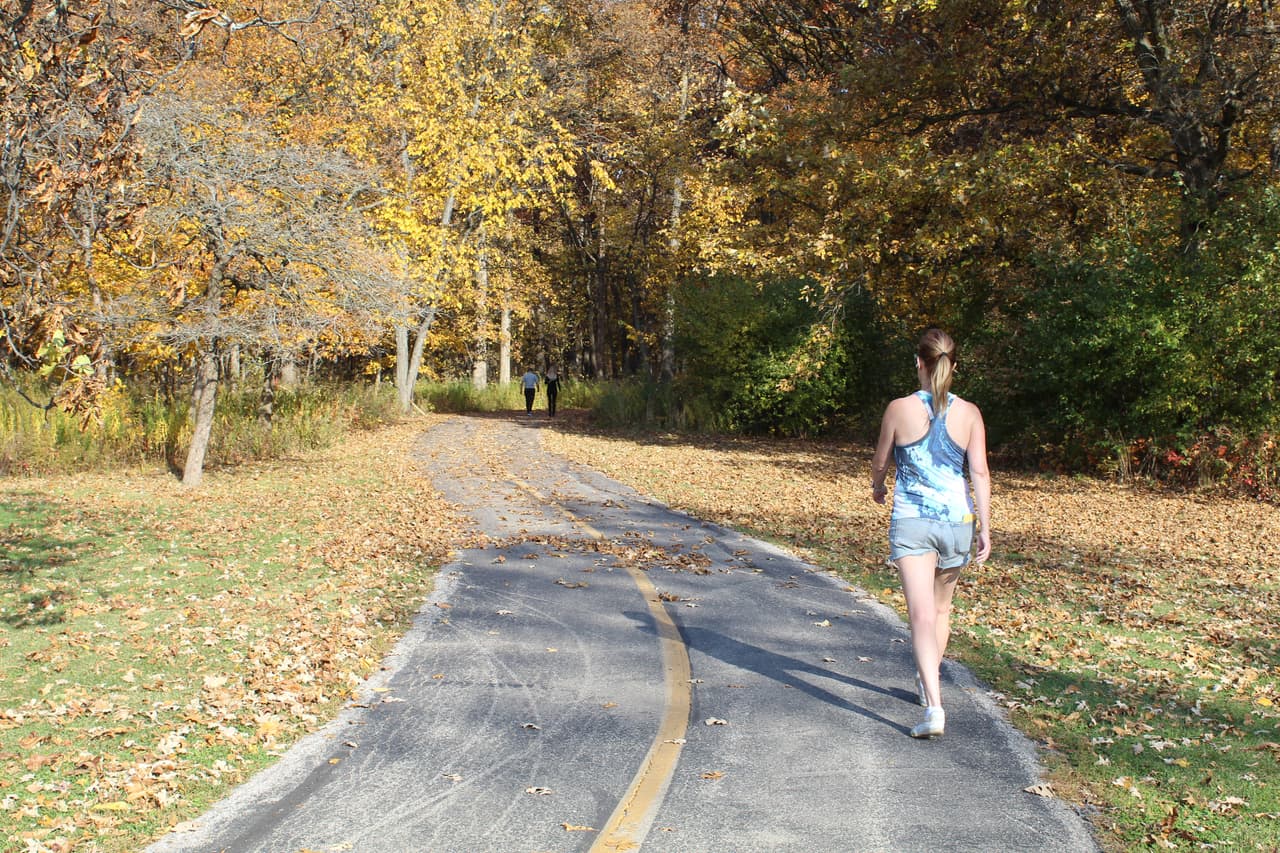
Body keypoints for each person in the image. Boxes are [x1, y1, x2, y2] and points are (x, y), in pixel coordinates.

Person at [870, 328, 991, 739]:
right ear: (952, 366)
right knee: (940, 611)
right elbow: (979, 472)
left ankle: (934, 708)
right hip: (958, 523)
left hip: (913, 522)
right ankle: (928, 678)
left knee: (920, 613)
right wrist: (985, 527)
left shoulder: (898, 408)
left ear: (918, 363)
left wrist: (878, 487)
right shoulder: (970, 413)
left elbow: (881, 461)